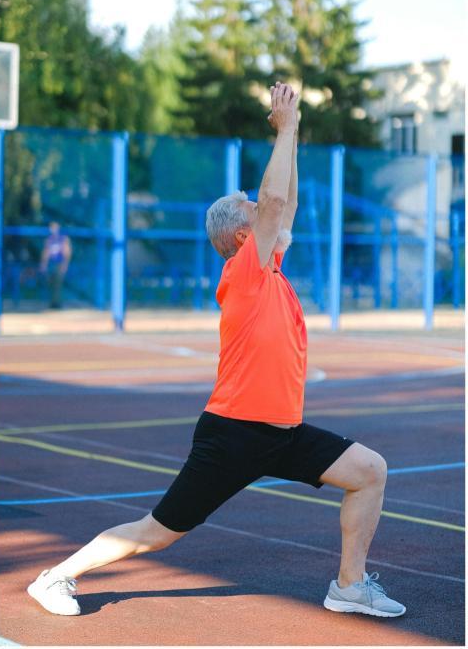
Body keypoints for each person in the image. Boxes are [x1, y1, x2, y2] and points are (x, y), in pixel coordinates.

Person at [27, 82, 405, 619]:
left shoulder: (269, 267)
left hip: (282, 431)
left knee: (370, 470)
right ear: (243, 236)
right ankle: (55, 577)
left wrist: (291, 138)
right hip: (234, 434)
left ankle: (349, 586)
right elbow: (275, 200)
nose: (270, 213)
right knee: (155, 534)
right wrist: (287, 129)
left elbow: (284, 201)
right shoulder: (246, 272)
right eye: (256, 212)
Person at [39, 222, 72, 309]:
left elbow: (67, 252)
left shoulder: (63, 238)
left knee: (58, 284)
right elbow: (46, 253)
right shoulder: (49, 239)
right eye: (52, 227)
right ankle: (52, 303)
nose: (53, 229)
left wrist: (65, 264)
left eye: (55, 227)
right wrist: (44, 264)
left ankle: (57, 303)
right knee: (50, 283)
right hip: (51, 263)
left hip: (59, 263)